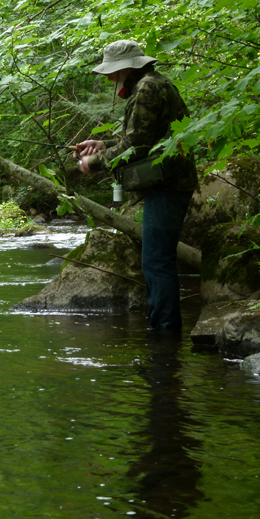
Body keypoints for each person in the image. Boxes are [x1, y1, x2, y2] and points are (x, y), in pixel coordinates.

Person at [73, 40, 198, 332]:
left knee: (156, 261)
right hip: (171, 182)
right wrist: (103, 144)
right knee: (158, 259)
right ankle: (165, 333)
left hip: (167, 185)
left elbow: (137, 146)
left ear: (125, 68)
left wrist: (92, 163)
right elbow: (144, 137)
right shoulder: (155, 83)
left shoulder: (145, 89)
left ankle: (165, 335)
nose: (107, 78)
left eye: (110, 72)